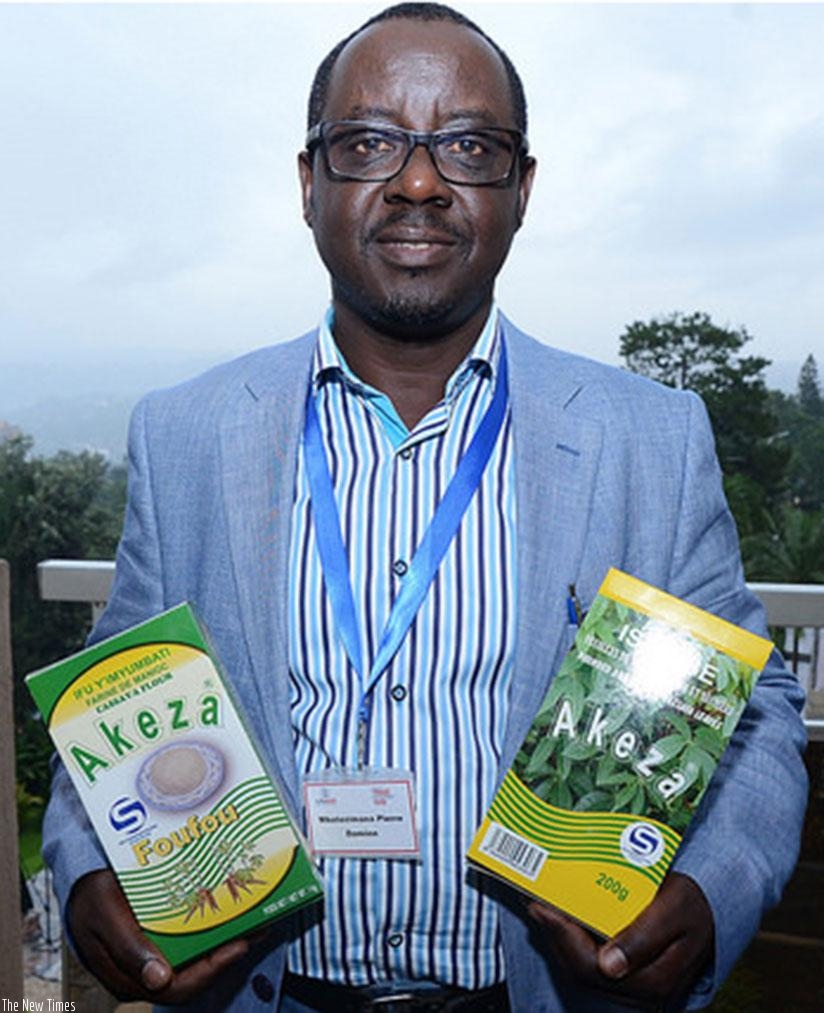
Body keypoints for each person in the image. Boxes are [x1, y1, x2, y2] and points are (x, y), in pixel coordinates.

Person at [43, 4, 807, 1011]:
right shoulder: (184, 436)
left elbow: (750, 718)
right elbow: (116, 706)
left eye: (467, 146)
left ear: (520, 189)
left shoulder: (648, 442)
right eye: (367, 142)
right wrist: (85, 863)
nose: (416, 181)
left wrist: (711, 891)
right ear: (308, 181)